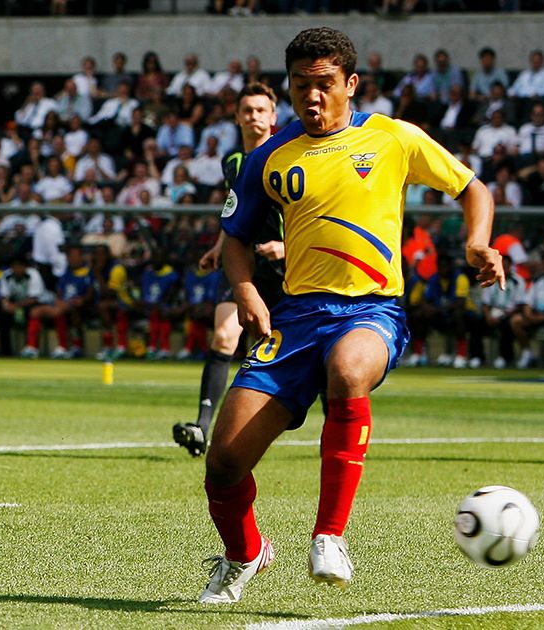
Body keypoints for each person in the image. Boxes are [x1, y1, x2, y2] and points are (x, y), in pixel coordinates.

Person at [199, 27, 503, 605]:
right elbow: (233, 238)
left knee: (348, 368)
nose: (311, 98)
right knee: (225, 462)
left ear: (350, 85)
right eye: (300, 86)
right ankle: (246, 555)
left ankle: (330, 536)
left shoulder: (392, 137)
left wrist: (475, 244)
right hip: (293, 319)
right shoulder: (269, 156)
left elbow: (473, 189)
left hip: (372, 309)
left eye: (324, 85)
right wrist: (244, 289)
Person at [173, 82, 283, 458]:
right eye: (247, 110)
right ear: (237, 117)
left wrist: (286, 247)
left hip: (287, 268)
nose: (254, 116)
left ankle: (334, 427)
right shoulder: (233, 162)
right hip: (242, 266)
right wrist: (220, 248)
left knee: (301, 351)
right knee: (223, 336)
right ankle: (202, 428)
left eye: (260, 110)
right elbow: (234, 212)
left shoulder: (289, 158)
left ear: (273, 116)